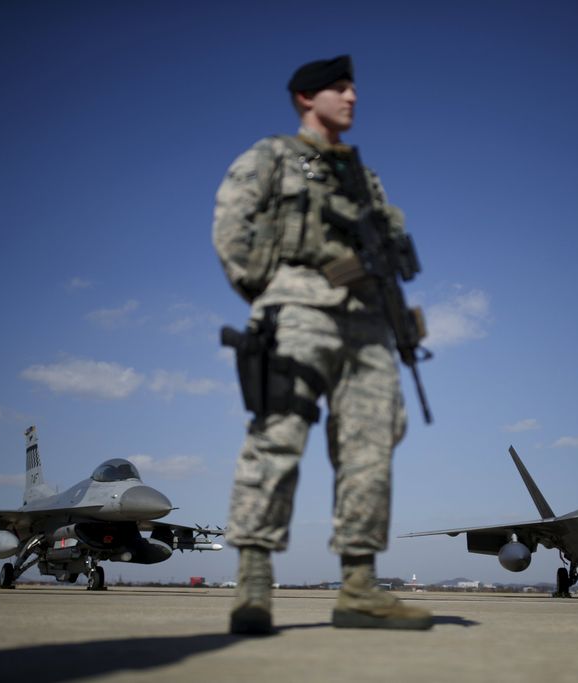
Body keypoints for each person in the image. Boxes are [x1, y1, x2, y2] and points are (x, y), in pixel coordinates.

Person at [212, 55, 432, 634]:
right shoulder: (272, 156)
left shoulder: (366, 178)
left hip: (367, 327)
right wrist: (274, 290)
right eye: (339, 87)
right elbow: (230, 228)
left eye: (354, 86)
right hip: (299, 312)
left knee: (370, 449)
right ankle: (253, 584)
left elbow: (385, 259)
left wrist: (398, 321)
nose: (352, 96)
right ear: (306, 98)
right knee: (277, 435)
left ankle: (359, 587)